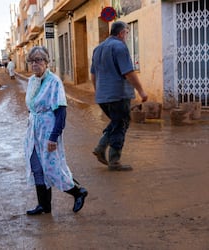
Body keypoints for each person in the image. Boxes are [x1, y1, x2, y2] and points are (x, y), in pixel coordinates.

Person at [24, 46, 88, 215]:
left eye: (39, 60)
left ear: (46, 62)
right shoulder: (32, 81)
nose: (35, 64)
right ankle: (44, 205)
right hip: (34, 132)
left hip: (48, 132)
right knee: (37, 167)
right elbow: (31, 106)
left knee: (53, 168)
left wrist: (53, 137)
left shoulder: (54, 82)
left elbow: (61, 113)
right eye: (32, 61)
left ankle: (78, 192)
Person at [90, 21, 148, 171]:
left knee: (117, 122)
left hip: (103, 96)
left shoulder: (98, 49)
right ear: (122, 33)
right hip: (118, 95)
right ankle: (114, 160)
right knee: (120, 125)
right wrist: (141, 91)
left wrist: (98, 91)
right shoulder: (119, 47)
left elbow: (93, 74)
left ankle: (101, 147)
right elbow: (128, 72)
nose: (127, 36)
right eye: (127, 33)